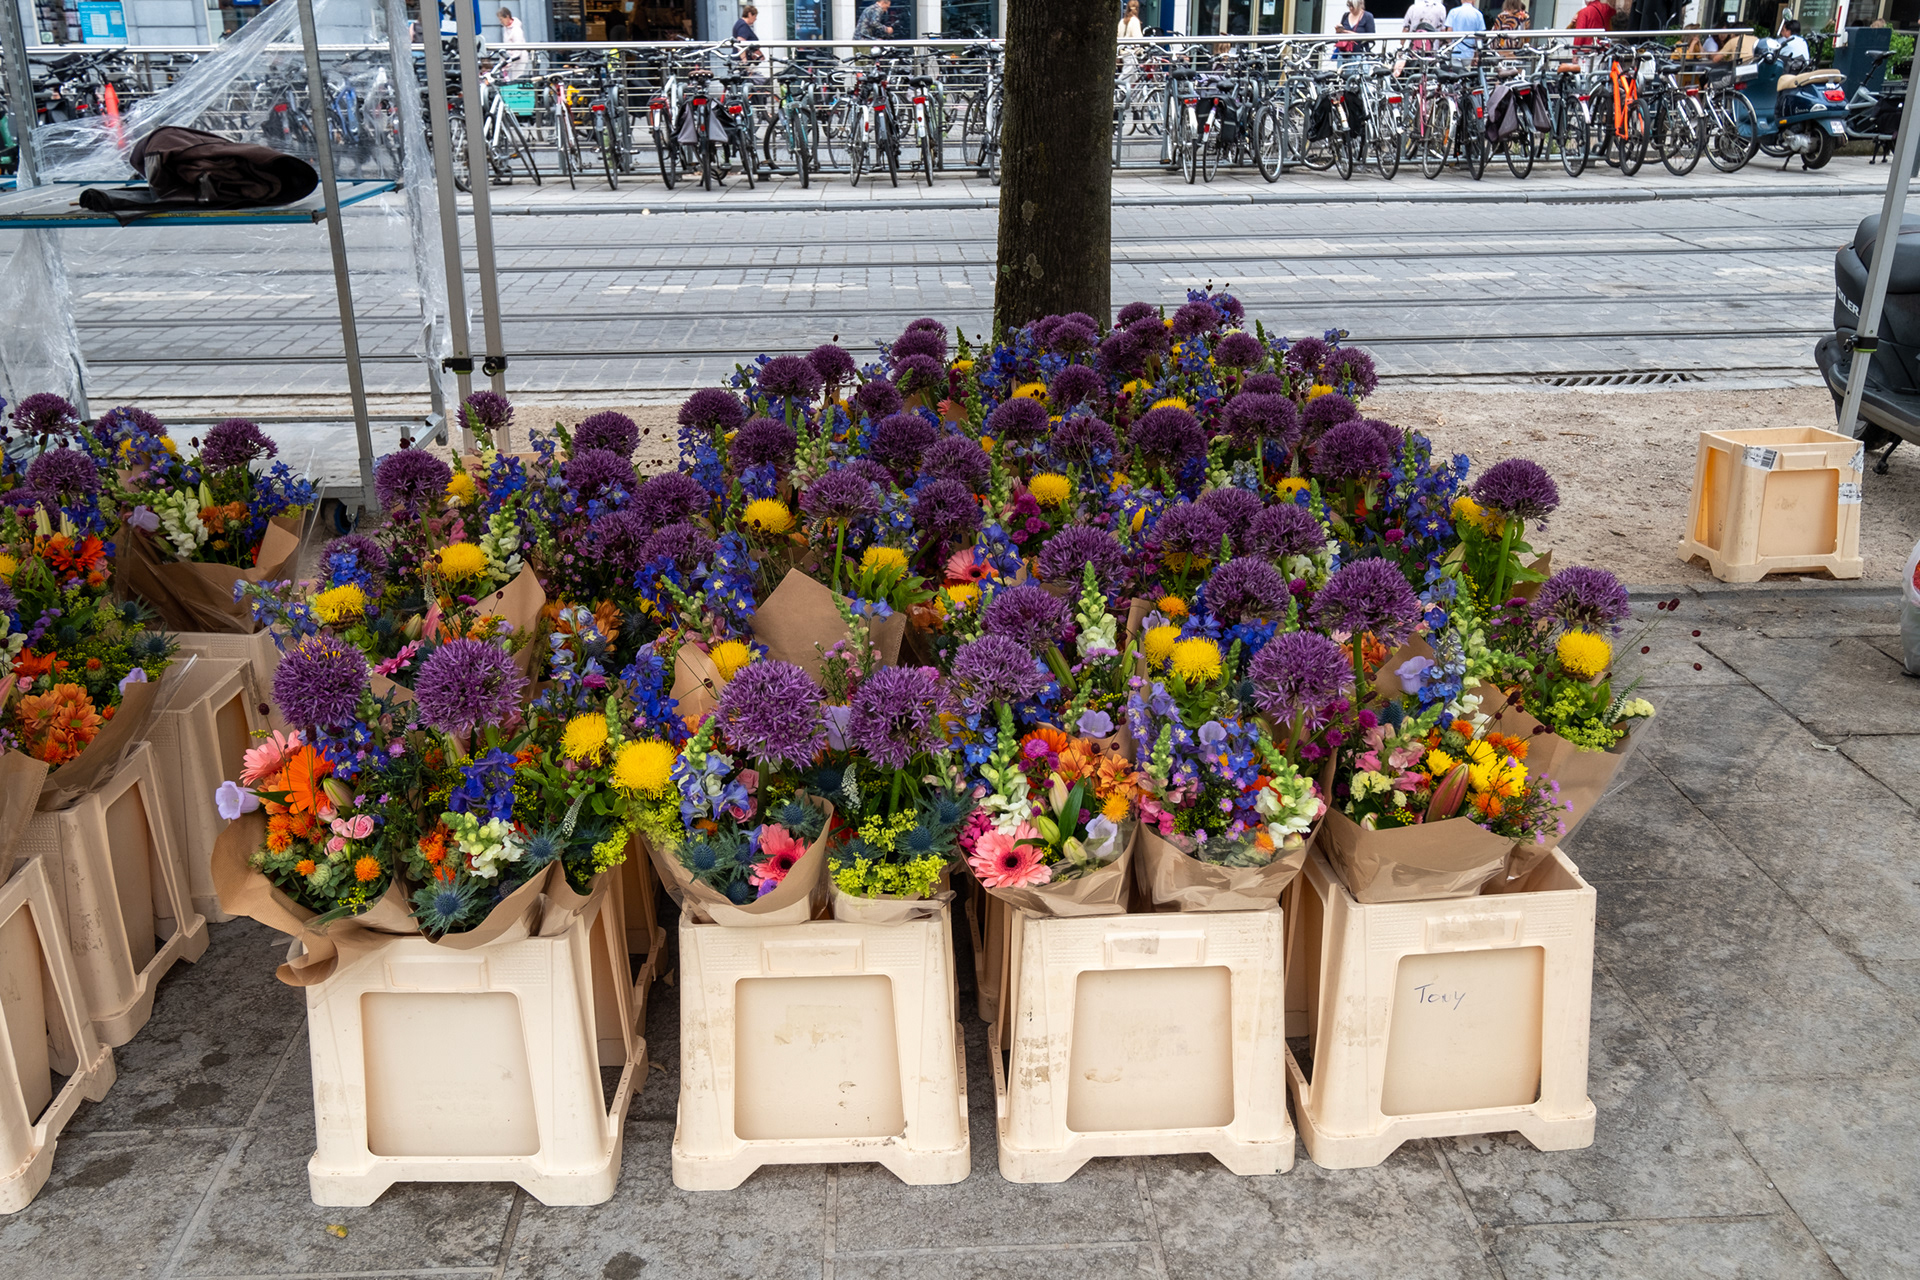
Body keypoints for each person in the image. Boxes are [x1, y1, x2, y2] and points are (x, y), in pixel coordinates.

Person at [1446, 0, 1484, 64]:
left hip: (1455, 51)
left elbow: (1449, 34)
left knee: (1455, 69)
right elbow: (1479, 37)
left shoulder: (1453, 12)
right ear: (1473, 1)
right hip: (1470, 52)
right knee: (1467, 69)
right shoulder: (1478, 14)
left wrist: (1450, 45)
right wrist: (1477, 54)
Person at [498, 6, 530, 73]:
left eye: (501, 19)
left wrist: (509, 60)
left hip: (518, 61)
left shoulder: (516, 30)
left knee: (517, 77)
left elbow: (518, 48)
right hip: (510, 61)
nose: (500, 22)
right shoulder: (506, 29)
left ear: (507, 17)